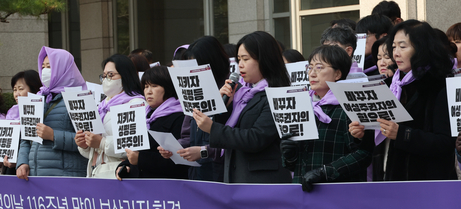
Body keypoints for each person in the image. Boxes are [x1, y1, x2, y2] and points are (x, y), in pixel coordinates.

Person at [349, 20, 456, 181]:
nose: (396, 53)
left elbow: (445, 142)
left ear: (422, 48)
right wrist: (361, 135)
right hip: (388, 180)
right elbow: (376, 142)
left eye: (402, 46)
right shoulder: (387, 85)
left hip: (427, 184)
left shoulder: (439, 85)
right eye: (393, 47)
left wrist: (403, 134)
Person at [192, 31, 292, 184]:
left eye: (246, 59)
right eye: (238, 59)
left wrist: (213, 129)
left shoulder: (278, 94)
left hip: (263, 182)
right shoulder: (244, 93)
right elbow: (233, 127)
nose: (240, 65)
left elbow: (255, 138)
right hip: (238, 178)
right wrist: (224, 104)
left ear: (265, 59)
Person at [281, 45, 372, 191]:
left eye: (319, 67)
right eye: (310, 68)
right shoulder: (302, 106)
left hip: (338, 194)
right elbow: (293, 165)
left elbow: (363, 154)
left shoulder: (351, 106)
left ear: (337, 74)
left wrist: (325, 172)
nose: (312, 73)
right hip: (303, 192)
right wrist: (289, 153)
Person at [160, 36, 230, 182]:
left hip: (222, 176)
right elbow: (188, 136)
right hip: (197, 174)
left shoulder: (231, 92)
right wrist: (174, 148)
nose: (192, 70)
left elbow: (233, 140)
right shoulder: (194, 92)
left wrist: (204, 152)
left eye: (196, 64)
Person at [16, 46, 88, 181]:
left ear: (64, 69)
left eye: (49, 66)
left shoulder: (79, 98)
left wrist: (53, 136)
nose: (44, 71)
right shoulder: (37, 98)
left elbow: (89, 142)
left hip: (66, 177)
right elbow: (26, 138)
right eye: (43, 66)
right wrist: (23, 162)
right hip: (36, 176)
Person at [75, 54, 144, 178]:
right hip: (96, 172)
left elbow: (134, 145)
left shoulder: (136, 104)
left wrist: (102, 143)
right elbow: (96, 152)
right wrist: (85, 145)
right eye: (104, 75)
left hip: (119, 174)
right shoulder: (101, 106)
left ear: (125, 76)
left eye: (111, 75)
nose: (106, 79)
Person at [115, 66, 187, 180]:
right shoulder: (143, 115)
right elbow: (134, 151)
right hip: (138, 187)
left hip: (163, 188)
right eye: (146, 86)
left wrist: (141, 159)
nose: (148, 91)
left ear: (168, 88)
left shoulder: (180, 118)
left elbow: (179, 162)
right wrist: (124, 166)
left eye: (154, 86)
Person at [0, 70, 42, 174]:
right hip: (10, 171)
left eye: (21, 89)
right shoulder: (12, 112)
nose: (16, 94)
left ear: (34, 89)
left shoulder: (41, 112)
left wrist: (20, 161)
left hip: (29, 172)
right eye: (14, 90)